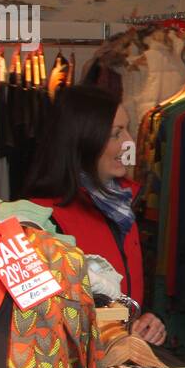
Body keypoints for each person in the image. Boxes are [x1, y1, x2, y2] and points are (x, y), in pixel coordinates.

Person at [24, 86, 166, 344]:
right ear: (83, 139)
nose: (129, 143)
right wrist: (116, 332)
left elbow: (122, 304)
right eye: (115, 134)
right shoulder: (42, 221)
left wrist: (144, 322)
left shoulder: (121, 208)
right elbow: (41, 323)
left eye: (126, 130)